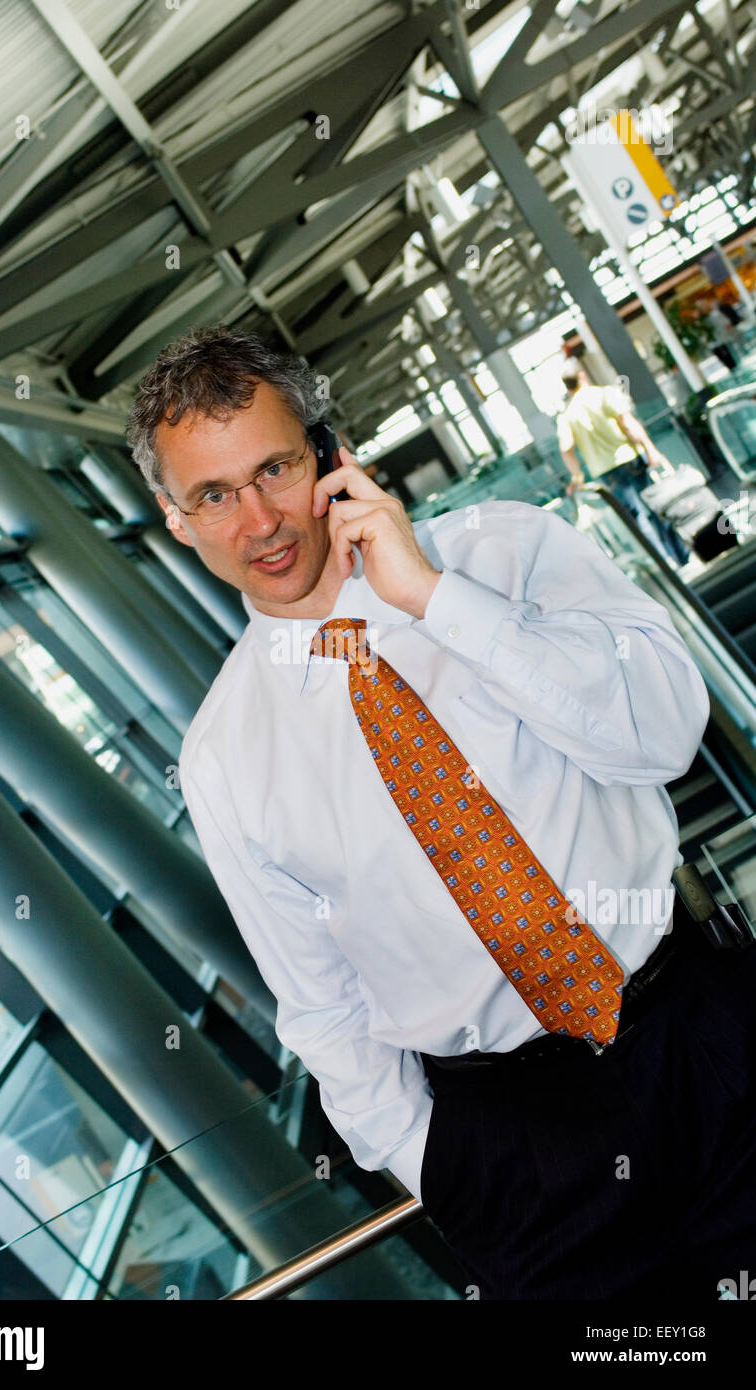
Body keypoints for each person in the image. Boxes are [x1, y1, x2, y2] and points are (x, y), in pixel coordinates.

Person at [125, 326, 756, 1301]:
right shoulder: (222, 758)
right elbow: (322, 1005)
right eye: (214, 495)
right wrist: (441, 1167)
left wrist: (433, 599)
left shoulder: (503, 550)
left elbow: (664, 734)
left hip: (699, 1034)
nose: (258, 521)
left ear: (329, 455)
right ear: (175, 519)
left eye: (274, 468)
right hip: (517, 1156)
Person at [556, 363, 690, 566]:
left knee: (635, 518)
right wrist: (650, 449)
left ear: (567, 387)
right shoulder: (604, 394)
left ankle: (665, 564)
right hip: (630, 458)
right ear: (582, 376)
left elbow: (566, 447)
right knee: (656, 506)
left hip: (606, 471)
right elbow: (628, 424)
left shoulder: (568, 415)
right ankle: (681, 556)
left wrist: (577, 476)